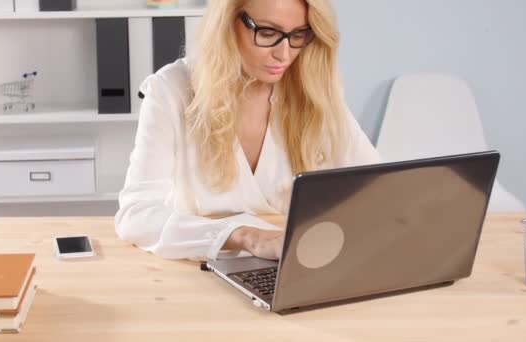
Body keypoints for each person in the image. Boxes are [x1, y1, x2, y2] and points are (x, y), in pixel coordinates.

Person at [114, 0, 381, 261]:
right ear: (227, 25)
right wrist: (245, 237)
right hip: (198, 268)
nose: (284, 54)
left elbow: (379, 188)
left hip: (292, 265)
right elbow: (135, 214)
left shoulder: (314, 91)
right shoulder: (170, 90)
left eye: (298, 34)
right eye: (267, 33)